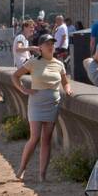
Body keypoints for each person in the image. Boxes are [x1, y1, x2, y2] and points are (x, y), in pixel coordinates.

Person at [13, 33, 73, 182]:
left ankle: (42, 175)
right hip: (36, 103)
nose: (51, 46)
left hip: (53, 103)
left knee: (46, 139)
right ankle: (22, 168)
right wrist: (24, 90)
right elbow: (15, 76)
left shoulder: (59, 64)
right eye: (47, 44)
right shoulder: (33, 62)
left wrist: (68, 89)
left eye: (52, 43)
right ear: (40, 47)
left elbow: (65, 81)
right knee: (34, 138)